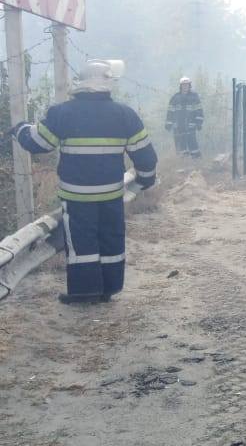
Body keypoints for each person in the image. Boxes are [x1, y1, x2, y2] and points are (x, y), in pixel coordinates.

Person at [10, 60, 158, 304]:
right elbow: (145, 155)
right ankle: (109, 288)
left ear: (79, 84)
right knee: (111, 239)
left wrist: (20, 129)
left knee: (82, 241)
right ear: (108, 84)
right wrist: (145, 179)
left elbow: (39, 143)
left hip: (77, 196)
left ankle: (84, 291)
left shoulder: (62, 113)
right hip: (111, 195)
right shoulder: (125, 114)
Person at [166, 76, 204, 158]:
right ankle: (184, 162)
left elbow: (199, 111)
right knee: (180, 145)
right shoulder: (175, 97)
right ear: (180, 86)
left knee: (192, 143)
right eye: (183, 85)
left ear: (190, 86)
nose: (185, 86)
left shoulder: (194, 97)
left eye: (187, 85)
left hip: (190, 125)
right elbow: (170, 112)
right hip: (178, 126)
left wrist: (199, 123)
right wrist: (168, 123)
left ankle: (196, 160)